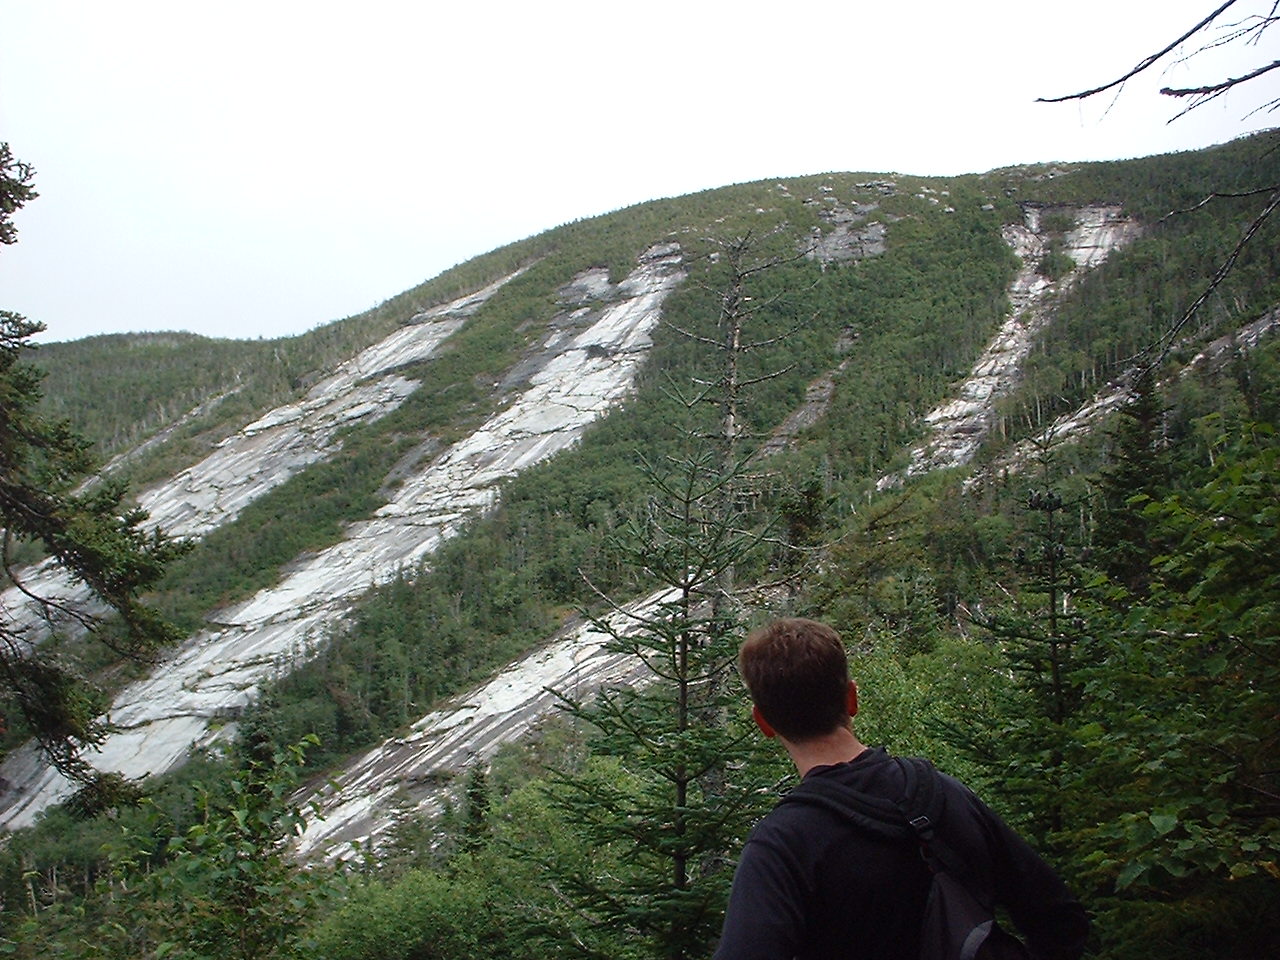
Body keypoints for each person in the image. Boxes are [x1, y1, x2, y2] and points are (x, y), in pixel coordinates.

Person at [714, 618, 1089, 960]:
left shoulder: (782, 844)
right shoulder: (945, 794)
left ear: (762, 722)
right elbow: (1060, 919)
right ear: (852, 698)